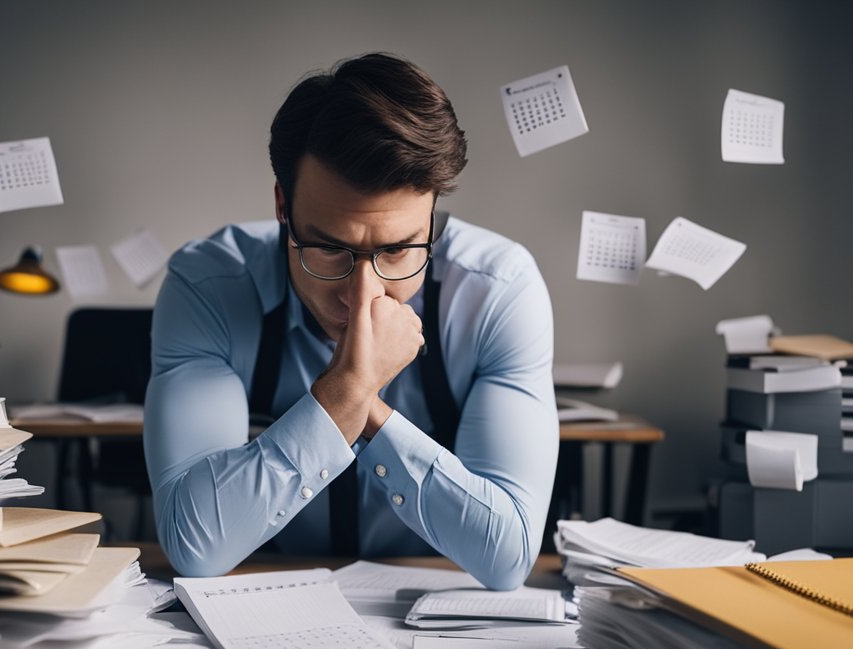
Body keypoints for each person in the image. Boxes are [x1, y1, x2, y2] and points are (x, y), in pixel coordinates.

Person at [145, 53, 557, 589]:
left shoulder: (497, 290)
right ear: (282, 207)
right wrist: (350, 388)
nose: (363, 295)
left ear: (431, 219)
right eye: (330, 249)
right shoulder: (209, 287)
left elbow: (506, 556)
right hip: (261, 601)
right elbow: (195, 546)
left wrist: (362, 405)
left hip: (427, 614)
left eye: (399, 250)